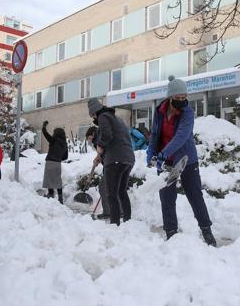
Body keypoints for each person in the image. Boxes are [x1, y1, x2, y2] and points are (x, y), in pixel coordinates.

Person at [146, 75, 217, 247]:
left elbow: (181, 137)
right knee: (167, 197)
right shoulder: (160, 111)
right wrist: (151, 153)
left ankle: (206, 231)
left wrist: (163, 154)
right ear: (170, 97)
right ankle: (171, 233)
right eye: (177, 98)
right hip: (165, 162)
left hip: (186, 160)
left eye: (183, 97)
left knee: (195, 195)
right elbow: (156, 134)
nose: (181, 100)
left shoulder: (187, 113)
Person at [87, 98, 135, 226]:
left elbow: (107, 135)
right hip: (128, 159)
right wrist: (101, 156)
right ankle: (128, 222)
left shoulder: (103, 116)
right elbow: (118, 140)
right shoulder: (116, 119)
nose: (94, 119)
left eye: (92, 116)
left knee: (111, 194)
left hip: (115, 159)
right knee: (121, 191)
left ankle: (115, 224)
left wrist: (100, 147)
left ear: (95, 112)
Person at [85, 126, 111, 219]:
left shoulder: (97, 138)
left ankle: (108, 212)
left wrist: (99, 157)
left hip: (110, 164)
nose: (89, 140)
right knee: (112, 188)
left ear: (92, 134)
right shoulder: (100, 137)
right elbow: (103, 151)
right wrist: (99, 158)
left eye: (89, 137)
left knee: (103, 187)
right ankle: (117, 211)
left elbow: (103, 150)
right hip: (111, 163)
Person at [42, 120, 68, 204]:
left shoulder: (53, 140)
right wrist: (59, 158)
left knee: (50, 179)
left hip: (50, 162)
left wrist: (44, 125)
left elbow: (45, 133)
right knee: (57, 180)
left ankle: (51, 195)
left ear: (56, 134)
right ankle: (60, 199)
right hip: (57, 163)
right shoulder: (64, 144)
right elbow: (66, 156)